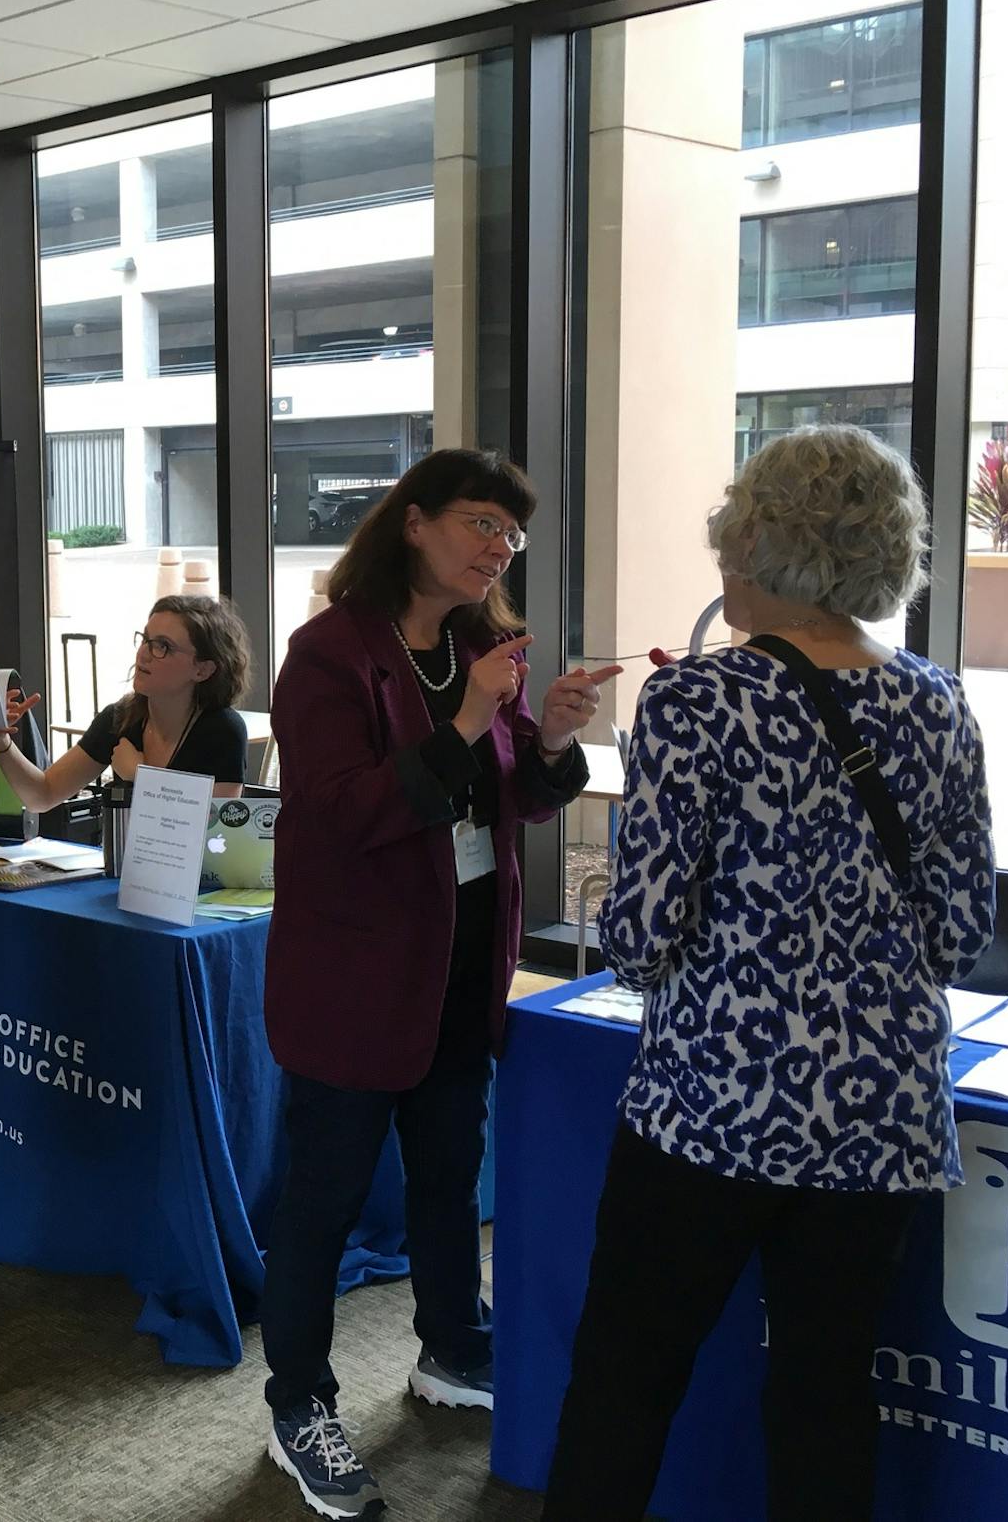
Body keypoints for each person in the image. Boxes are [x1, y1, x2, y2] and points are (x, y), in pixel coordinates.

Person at [542, 427, 997, 1522]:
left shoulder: (698, 701)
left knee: (626, 1376)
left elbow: (643, 941)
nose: (721, 568)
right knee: (826, 1392)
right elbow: (965, 931)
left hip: (715, 1108)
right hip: (880, 1116)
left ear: (770, 549)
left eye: (732, 544)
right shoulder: (938, 702)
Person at [257, 448, 615, 1519]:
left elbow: (515, 801)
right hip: (353, 975)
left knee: (452, 1181)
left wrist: (547, 734)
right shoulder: (328, 657)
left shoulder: (478, 648)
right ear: (412, 524)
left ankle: (454, 1350)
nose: (495, 546)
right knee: (320, 1205)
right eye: (478, 522)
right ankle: (298, 1404)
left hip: (462, 963)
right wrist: (467, 722)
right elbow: (345, 812)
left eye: (510, 533)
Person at [0, 594, 253, 805]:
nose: (144, 654)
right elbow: (42, 795)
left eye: (163, 646)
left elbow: (213, 832)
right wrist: (2, 742)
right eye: (146, 639)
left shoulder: (223, 730)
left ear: (203, 669)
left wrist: (141, 775)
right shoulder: (121, 717)